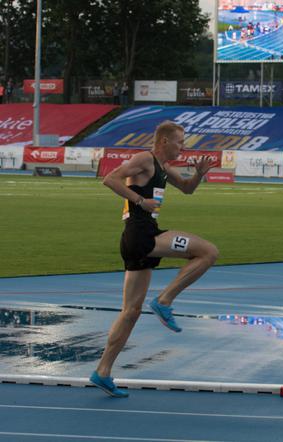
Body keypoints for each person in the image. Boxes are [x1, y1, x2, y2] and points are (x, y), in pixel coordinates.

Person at [89, 121, 219, 397]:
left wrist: (198, 175)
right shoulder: (144, 159)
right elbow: (109, 178)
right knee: (208, 252)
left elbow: (186, 188)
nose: (183, 147)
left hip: (139, 239)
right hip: (142, 236)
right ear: (163, 142)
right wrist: (139, 200)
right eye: (180, 142)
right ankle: (164, 301)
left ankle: (102, 371)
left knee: (130, 312)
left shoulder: (161, 167)